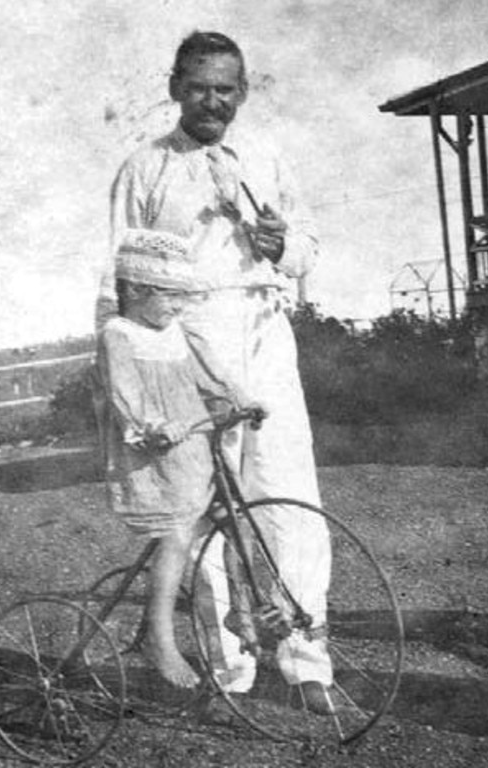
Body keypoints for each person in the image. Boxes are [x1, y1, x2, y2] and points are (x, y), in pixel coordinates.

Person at [96, 30, 334, 713]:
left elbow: (308, 246)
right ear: (174, 87)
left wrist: (281, 244)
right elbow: (115, 281)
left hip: (263, 333)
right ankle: (228, 669)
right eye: (198, 86)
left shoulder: (265, 156)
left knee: (289, 497)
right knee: (201, 509)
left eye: (225, 89)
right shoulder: (145, 168)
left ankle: (306, 659)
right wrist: (120, 378)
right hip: (184, 344)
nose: (212, 100)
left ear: (243, 92)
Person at [97, 228, 252, 689]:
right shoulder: (118, 333)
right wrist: (152, 424)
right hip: (153, 457)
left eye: (184, 298)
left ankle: (243, 611)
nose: (178, 306)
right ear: (136, 291)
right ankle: (159, 639)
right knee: (177, 536)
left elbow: (209, 379)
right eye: (171, 297)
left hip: (195, 450)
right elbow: (124, 393)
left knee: (234, 517)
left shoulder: (178, 333)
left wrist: (239, 399)